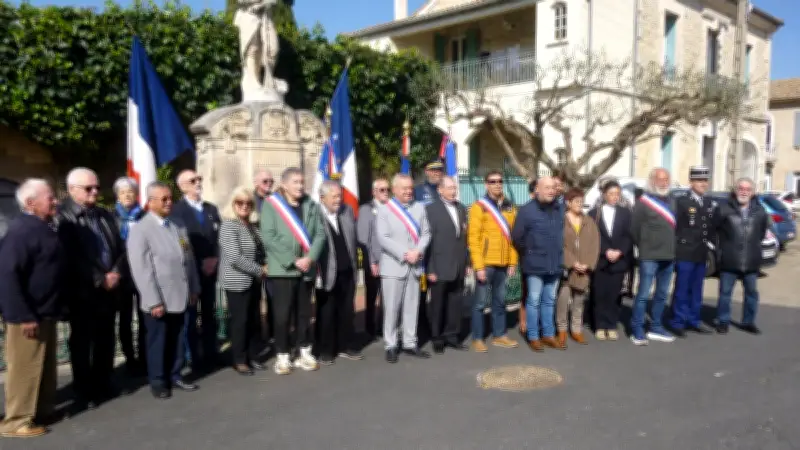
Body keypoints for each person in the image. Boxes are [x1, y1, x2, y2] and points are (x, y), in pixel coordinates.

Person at [0, 179, 63, 438]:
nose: (55, 201)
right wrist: (23, 315)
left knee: (44, 366)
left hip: (45, 311)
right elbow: (8, 276)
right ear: (30, 203)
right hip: (28, 315)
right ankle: (16, 421)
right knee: (24, 368)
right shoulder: (21, 231)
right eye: (50, 198)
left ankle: (41, 410)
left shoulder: (42, 227)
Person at [57, 167, 125, 409]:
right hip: (82, 291)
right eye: (88, 188)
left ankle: (104, 382)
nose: (95, 192)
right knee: (83, 342)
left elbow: (119, 247)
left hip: (109, 288)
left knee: (106, 337)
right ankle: (84, 389)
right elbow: (71, 256)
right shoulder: (64, 218)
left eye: (97, 187)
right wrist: (99, 278)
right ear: (72, 190)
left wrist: (116, 271)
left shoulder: (104, 215)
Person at [127, 182, 201, 399]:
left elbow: (189, 258)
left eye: (170, 198)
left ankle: (175, 374)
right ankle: (158, 381)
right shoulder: (141, 229)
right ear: (150, 202)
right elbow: (142, 269)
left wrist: (194, 287)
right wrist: (153, 301)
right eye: (164, 199)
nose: (169, 202)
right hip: (159, 297)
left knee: (177, 339)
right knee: (158, 341)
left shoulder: (177, 224)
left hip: (180, 293)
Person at [260, 167, 325, 375]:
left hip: (306, 269)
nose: (300, 186)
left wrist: (310, 258)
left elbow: (320, 234)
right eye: (295, 182)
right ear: (284, 184)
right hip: (283, 270)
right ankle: (282, 354)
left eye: (302, 182)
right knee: (282, 315)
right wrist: (293, 260)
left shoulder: (311, 204)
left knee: (304, 314)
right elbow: (268, 236)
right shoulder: (271, 205)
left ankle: (304, 351)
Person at [377, 174, 432, 363]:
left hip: (414, 265)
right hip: (394, 267)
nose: (409, 191)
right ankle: (391, 344)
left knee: (411, 306)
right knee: (392, 308)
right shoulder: (384, 210)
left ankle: (410, 342)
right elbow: (383, 238)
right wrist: (405, 253)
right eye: (404, 188)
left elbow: (426, 233)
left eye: (410, 188)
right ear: (394, 189)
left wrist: (418, 250)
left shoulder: (419, 208)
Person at [171, 170, 221, 372]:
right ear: (182, 186)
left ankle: (211, 353)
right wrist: (199, 262)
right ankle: (192, 358)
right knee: (190, 317)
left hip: (211, 270)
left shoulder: (210, 208)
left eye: (199, 179)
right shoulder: (176, 210)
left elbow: (219, 237)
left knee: (209, 313)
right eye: (193, 180)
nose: (198, 183)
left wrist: (215, 259)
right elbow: (180, 241)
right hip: (191, 272)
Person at [218, 186, 268, 376]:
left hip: (254, 280)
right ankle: (239, 359)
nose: (244, 206)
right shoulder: (228, 226)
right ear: (233, 204)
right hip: (237, 281)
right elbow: (235, 257)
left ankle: (252, 355)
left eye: (248, 203)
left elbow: (261, 249)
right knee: (240, 321)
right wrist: (260, 270)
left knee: (253, 320)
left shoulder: (253, 226)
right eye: (240, 202)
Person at [467, 170, 520, 352]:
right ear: (486, 184)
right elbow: (473, 239)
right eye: (492, 181)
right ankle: (477, 338)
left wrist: (512, 262)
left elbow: (513, 237)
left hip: (503, 263)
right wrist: (479, 266)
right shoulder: (479, 207)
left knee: (500, 301)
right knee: (480, 303)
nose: (497, 184)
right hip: (486, 263)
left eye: (499, 181)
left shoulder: (509, 207)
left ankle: (499, 335)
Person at [512, 177, 563, 352]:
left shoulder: (559, 209)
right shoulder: (526, 210)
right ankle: (533, 336)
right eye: (547, 187)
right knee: (533, 300)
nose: (551, 191)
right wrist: (530, 252)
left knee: (549, 300)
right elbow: (517, 237)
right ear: (537, 190)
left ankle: (548, 334)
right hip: (534, 264)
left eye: (553, 188)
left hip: (555, 263)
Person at [316, 180, 362, 365]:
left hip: (347, 270)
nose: (338, 200)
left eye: (339, 196)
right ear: (322, 198)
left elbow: (354, 238)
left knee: (346, 310)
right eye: (334, 196)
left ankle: (346, 345)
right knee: (326, 312)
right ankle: (326, 350)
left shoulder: (347, 211)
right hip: (326, 272)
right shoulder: (315, 215)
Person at [715, 177, 768, 335]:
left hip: (751, 260)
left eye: (747, 189)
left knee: (751, 294)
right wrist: (720, 251)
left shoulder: (760, 211)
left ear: (752, 193)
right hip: (729, 259)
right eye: (741, 188)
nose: (744, 192)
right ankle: (723, 321)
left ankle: (748, 322)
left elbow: (761, 233)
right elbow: (715, 232)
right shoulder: (723, 209)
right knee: (725, 294)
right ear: (735, 190)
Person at [630, 168, 677, 345]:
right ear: (652, 181)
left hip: (669, 255)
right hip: (649, 256)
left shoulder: (672, 201)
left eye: (666, 179)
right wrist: (645, 246)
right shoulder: (643, 202)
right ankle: (637, 328)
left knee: (662, 294)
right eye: (660, 179)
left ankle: (656, 327)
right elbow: (634, 229)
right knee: (643, 294)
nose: (663, 183)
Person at [669, 166, 717, 337]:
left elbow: (711, 228)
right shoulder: (682, 201)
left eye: (705, 181)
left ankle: (694, 319)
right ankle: (678, 321)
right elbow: (674, 227)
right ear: (691, 182)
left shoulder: (709, 202)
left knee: (697, 289)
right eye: (699, 181)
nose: (703, 184)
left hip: (701, 253)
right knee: (682, 288)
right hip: (685, 252)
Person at [425, 176, 470, 354]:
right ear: (440, 190)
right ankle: (437, 337)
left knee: (455, 303)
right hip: (439, 266)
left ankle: (452, 335)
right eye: (450, 188)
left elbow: (464, 239)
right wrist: (430, 268)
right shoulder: (430, 210)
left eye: (454, 188)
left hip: (458, 265)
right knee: (438, 304)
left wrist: (467, 262)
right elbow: (427, 242)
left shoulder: (461, 208)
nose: (453, 191)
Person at [588, 181, 633, 341]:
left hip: (619, 259)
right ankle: (600, 325)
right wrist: (605, 251)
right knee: (600, 293)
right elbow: (592, 236)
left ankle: (611, 324)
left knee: (614, 294)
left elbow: (629, 235)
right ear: (604, 194)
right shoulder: (594, 213)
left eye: (617, 194)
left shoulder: (625, 213)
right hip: (601, 259)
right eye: (611, 194)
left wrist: (620, 251)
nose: (614, 197)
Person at [111, 177, 147, 376]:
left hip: (142, 273)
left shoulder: (144, 216)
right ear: (117, 196)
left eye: (130, 192)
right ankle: (129, 358)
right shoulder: (111, 217)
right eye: (123, 192)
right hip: (122, 276)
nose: (127, 195)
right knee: (124, 319)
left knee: (144, 317)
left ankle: (144, 357)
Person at [556, 188, 599, 348]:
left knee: (579, 301)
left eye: (581, 201)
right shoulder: (561, 220)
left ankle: (576, 329)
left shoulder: (589, 222)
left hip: (583, 268)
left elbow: (595, 245)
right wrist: (572, 263)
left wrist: (587, 264)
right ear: (568, 203)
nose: (580, 204)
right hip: (567, 268)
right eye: (576, 201)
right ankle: (561, 329)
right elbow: (558, 245)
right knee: (563, 299)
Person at [357, 178, 390, 340]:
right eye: (382, 190)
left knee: (388, 297)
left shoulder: (391, 208)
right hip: (374, 261)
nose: (386, 193)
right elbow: (363, 239)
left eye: (387, 189)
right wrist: (371, 262)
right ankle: (369, 328)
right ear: (374, 192)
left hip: (390, 261)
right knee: (371, 296)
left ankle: (384, 327)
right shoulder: (366, 209)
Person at [518, 178, 537, 336]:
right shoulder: (524, 210)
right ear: (532, 194)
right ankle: (523, 321)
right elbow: (518, 236)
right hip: (529, 258)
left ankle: (537, 322)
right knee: (527, 292)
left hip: (546, 260)